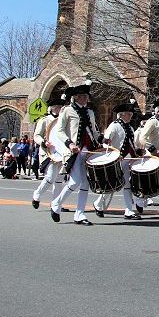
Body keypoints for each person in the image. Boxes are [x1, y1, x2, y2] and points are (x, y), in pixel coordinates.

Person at [49, 81, 102, 225]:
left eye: (86, 96)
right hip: (74, 151)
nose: (85, 98)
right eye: (81, 96)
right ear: (75, 97)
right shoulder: (67, 110)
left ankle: (80, 214)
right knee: (75, 181)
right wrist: (69, 144)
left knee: (85, 183)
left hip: (89, 150)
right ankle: (56, 203)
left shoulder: (90, 112)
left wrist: (102, 139)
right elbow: (59, 131)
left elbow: (94, 132)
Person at [93, 100, 142, 220]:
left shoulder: (130, 127)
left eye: (131, 114)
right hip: (116, 160)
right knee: (112, 185)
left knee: (127, 185)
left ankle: (129, 211)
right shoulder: (114, 126)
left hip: (127, 159)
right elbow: (105, 143)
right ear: (121, 114)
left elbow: (132, 143)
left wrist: (137, 151)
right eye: (128, 114)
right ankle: (98, 204)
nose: (130, 116)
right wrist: (114, 155)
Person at [31, 96, 65, 209]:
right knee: (50, 177)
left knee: (59, 179)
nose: (59, 109)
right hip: (48, 153)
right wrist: (44, 142)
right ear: (51, 108)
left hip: (61, 153)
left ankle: (56, 204)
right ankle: (37, 194)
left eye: (60, 107)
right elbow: (37, 135)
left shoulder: (63, 120)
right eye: (57, 107)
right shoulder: (44, 120)